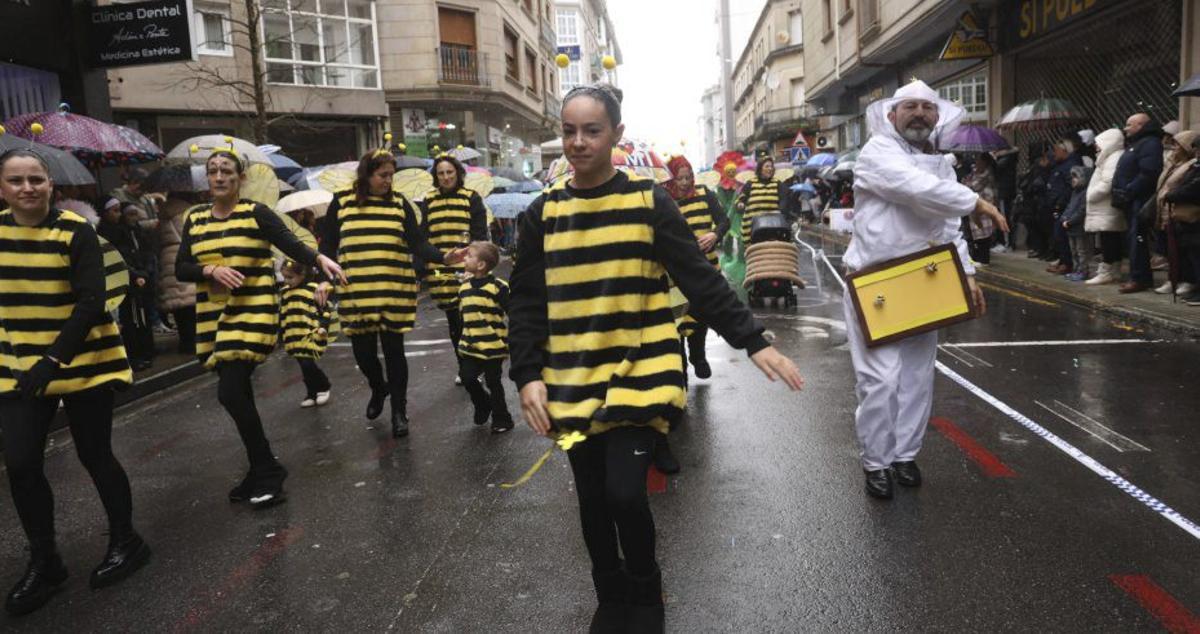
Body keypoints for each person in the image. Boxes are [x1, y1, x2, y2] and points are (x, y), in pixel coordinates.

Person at [509, 83, 803, 632]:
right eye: (569, 131)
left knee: (625, 493)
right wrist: (526, 374)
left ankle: (646, 593)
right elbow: (525, 300)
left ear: (616, 135)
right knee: (593, 500)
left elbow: (698, 277)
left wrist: (753, 340)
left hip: (641, 372)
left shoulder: (649, 201)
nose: (577, 142)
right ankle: (610, 594)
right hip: (571, 377)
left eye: (591, 131)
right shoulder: (542, 213)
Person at [0, 149, 149, 616]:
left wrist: (53, 359)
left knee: (94, 452)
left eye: (36, 180)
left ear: (50, 185)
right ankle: (46, 562)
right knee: (21, 463)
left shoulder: (75, 231)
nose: (27, 188)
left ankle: (127, 540)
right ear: (2, 188)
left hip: (83, 358)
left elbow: (91, 301)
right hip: (18, 365)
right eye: (16, 180)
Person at [846, 80, 1008, 500]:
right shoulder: (876, 154)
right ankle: (876, 463)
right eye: (910, 106)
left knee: (917, 378)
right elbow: (914, 188)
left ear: (936, 116)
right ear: (892, 114)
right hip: (876, 280)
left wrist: (967, 274)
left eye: (927, 107)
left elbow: (948, 227)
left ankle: (904, 455)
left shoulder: (942, 165)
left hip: (926, 278)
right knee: (879, 380)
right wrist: (973, 201)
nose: (919, 113)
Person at [176, 148, 345, 509]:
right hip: (214, 318)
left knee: (230, 393)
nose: (219, 177)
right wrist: (210, 270)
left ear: (241, 179)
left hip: (252, 313)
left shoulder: (256, 214)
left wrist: (318, 258)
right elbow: (181, 268)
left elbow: (290, 243)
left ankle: (268, 470)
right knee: (237, 394)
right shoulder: (195, 219)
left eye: (227, 171)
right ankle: (258, 470)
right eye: (213, 171)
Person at [319, 150, 462, 438]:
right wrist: (326, 278)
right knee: (365, 355)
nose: (388, 181)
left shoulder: (399, 204)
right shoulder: (342, 202)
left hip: (394, 288)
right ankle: (378, 388)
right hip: (357, 291)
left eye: (391, 175)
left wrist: (444, 258)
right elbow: (329, 246)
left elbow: (418, 243)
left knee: (395, 352)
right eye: (383, 175)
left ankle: (399, 410)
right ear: (367, 174)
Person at [419, 154, 489, 384]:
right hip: (441, 270)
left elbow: (479, 234)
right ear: (435, 176)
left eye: (450, 172)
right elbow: (422, 238)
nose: (446, 177)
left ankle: (477, 364)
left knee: (469, 318)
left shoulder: (471, 198)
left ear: (458, 173)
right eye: (441, 173)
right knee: (454, 322)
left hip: (468, 268)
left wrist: (477, 265)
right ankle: (464, 366)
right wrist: (421, 270)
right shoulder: (427, 200)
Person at [456, 241, 514, 433]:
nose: (465, 258)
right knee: (467, 378)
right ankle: (483, 404)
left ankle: (502, 418)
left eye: (469, 256)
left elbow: (512, 311)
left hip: (493, 346)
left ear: (481, 265)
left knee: (494, 382)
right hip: (470, 346)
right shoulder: (464, 287)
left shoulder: (498, 287)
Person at [98, 199, 156, 371]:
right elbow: (118, 258)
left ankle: (146, 351)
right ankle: (135, 355)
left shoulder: (133, 230)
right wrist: (135, 274)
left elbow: (144, 251)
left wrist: (145, 271)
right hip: (123, 281)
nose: (118, 215)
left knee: (140, 317)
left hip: (138, 277)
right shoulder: (110, 233)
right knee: (130, 320)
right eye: (114, 211)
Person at [1112, 113, 1164, 294]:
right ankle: (1138, 276)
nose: (1125, 129)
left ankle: (1139, 278)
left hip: (1139, 199)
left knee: (1137, 239)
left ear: (1141, 125)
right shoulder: (1137, 144)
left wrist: (1129, 190)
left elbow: (1149, 172)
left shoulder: (1149, 143)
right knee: (1133, 239)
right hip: (1131, 199)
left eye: (1129, 125)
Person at [280, 259, 334, 408]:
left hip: (310, 333)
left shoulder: (313, 290)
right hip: (292, 335)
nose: (286, 281)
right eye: (284, 277)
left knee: (307, 363)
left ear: (302, 275)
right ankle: (311, 392)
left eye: (290, 277)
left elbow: (324, 310)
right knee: (303, 365)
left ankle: (323, 386)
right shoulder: (284, 292)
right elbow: (283, 313)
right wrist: (282, 331)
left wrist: (323, 326)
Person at [1153, 130, 1198, 296]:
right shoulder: (1173, 163)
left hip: (1180, 212)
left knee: (1183, 250)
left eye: (1177, 145)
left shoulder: (1191, 165)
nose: (1174, 148)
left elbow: (1185, 188)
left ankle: (1187, 280)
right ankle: (1173, 278)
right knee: (1169, 250)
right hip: (1166, 211)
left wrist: (1171, 196)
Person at [1084, 129, 1128, 285]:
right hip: (1106, 208)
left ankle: (1106, 272)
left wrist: (1091, 195)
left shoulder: (1113, 158)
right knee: (1111, 239)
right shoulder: (1109, 157)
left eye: (1099, 143)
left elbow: (1107, 183)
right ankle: (1114, 271)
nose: (1096, 147)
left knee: (1108, 240)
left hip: (1106, 207)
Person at [157, 192, 199, 354]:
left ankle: (185, 342)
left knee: (179, 307)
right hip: (184, 256)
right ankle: (193, 343)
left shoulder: (163, 214)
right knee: (189, 304)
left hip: (167, 259)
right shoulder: (185, 213)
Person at [1045, 139, 1083, 274]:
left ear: (1064, 151)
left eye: (1056, 150)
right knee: (1058, 235)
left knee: (1062, 235)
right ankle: (1063, 261)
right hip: (1058, 205)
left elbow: (1071, 187)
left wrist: (1060, 202)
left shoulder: (1071, 165)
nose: (1054, 153)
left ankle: (1068, 263)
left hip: (1065, 207)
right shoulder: (1060, 164)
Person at [735, 156, 790, 243]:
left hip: (773, 227)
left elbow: (784, 198)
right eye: (767, 166)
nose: (770, 169)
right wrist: (740, 204)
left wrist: (780, 210)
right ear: (760, 168)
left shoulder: (777, 184)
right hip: (752, 228)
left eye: (771, 166)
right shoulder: (750, 183)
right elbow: (741, 199)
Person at [1016, 143, 1053, 259]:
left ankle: (1041, 249)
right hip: (1034, 201)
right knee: (1036, 226)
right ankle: (1040, 249)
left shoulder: (1039, 165)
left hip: (1035, 201)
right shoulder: (1037, 165)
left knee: (1038, 226)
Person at [963, 152, 998, 266]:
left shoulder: (987, 174)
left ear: (985, 162)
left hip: (985, 206)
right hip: (975, 206)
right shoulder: (974, 172)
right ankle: (977, 258)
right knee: (976, 234)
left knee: (983, 233)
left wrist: (968, 182)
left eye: (979, 161)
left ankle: (984, 260)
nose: (976, 163)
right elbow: (965, 182)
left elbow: (974, 186)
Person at [1061, 166, 1093, 281]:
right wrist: (1064, 217)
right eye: (1072, 177)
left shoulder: (1085, 193)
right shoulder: (1074, 192)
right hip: (1070, 227)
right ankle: (1076, 269)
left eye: (1076, 177)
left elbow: (1082, 211)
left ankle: (1083, 271)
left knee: (1081, 250)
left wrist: (1070, 221)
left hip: (1079, 227)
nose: (1072, 179)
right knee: (1073, 250)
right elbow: (1069, 207)